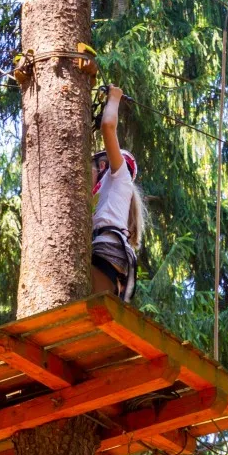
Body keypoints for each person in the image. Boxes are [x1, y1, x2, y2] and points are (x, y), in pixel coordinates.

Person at [91, 84, 146, 302]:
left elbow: (107, 126)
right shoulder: (111, 196)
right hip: (108, 251)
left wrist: (114, 97)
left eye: (99, 163)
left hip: (107, 250)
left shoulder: (120, 174)